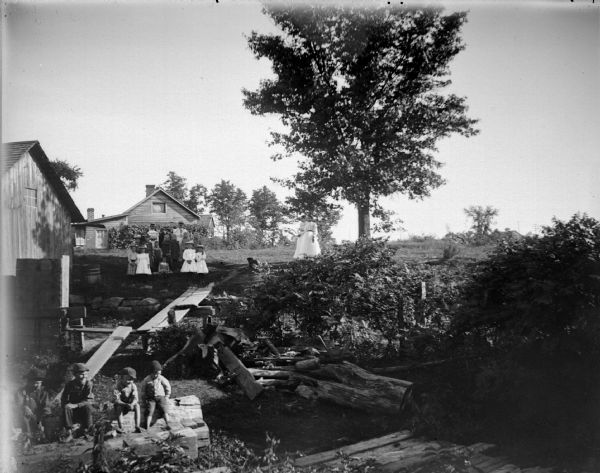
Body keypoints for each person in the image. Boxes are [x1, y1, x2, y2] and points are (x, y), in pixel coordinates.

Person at [16, 368, 51, 442]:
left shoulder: (44, 393)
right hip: (27, 417)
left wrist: (41, 419)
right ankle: (27, 437)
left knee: (49, 420)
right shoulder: (22, 391)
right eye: (33, 383)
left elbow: (46, 408)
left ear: (41, 383)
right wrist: (24, 407)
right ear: (29, 382)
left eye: (38, 383)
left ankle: (44, 435)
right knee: (24, 415)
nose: (35, 385)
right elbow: (19, 404)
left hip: (39, 418)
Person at [61, 363, 93, 442]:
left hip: (83, 407)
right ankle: (69, 433)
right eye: (81, 374)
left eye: (85, 374)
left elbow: (88, 400)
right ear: (75, 374)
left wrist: (76, 405)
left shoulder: (88, 384)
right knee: (66, 406)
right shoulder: (70, 384)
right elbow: (64, 398)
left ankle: (87, 432)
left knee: (88, 407)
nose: (84, 376)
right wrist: (66, 406)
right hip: (73, 408)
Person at [140, 361, 171, 430]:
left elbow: (167, 386)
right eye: (155, 374)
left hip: (161, 397)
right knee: (149, 410)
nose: (156, 375)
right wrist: (143, 399)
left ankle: (168, 423)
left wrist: (167, 396)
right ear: (151, 372)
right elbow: (143, 390)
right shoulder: (147, 379)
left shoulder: (161, 378)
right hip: (151, 398)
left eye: (158, 373)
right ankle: (147, 426)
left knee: (164, 409)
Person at [113, 367, 142, 434]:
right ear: (122, 378)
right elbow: (117, 400)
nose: (130, 381)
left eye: (132, 380)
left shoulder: (133, 386)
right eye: (128, 379)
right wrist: (125, 404)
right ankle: (121, 427)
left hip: (129, 404)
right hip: (121, 404)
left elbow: (136, 398)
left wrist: (132, 404)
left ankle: (137, 426)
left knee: (137, 406)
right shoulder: (117, 386)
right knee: (119, 408)